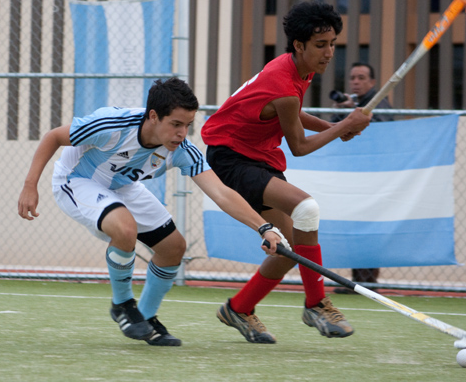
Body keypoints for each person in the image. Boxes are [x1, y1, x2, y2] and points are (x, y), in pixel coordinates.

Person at [17, 77, 286, 347]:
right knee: (125, 228)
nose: (182, 133)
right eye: (176, 124)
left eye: (188, 125)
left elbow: (221, 193)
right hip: (76, 180)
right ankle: (123, 306)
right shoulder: (112, 125)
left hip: (122, 186)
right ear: (154, 116)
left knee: (173, 247)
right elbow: (54, 137)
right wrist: (30, 185)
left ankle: (144, 317)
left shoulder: (182, 151)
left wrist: (264, 228)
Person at [201, 0, 372, 344]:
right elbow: (299, 145)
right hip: (231, 158)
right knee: (307, 208)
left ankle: (239, 308)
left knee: (291, 245)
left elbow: (290, 111)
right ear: (299, 45)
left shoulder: (296, 68)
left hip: (257, 156)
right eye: (321, 45)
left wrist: (335, 124)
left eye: (332, 44)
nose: (328, 53)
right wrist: (343, 126)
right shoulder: (283, 81)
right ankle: (316, 304)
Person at [330, 62, 393, 293]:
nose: (356, 82)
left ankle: (367, 282)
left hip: (374, 177)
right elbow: (333, 129)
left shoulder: (379, 103)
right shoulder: (352, 104)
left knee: (369, 226)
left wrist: (355, 112)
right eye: (353, 77)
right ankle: (358, 282)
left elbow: (384, 130)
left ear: (372, 82)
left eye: (361, 77)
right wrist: (342, 110)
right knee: (354, 226)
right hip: (352, 175)